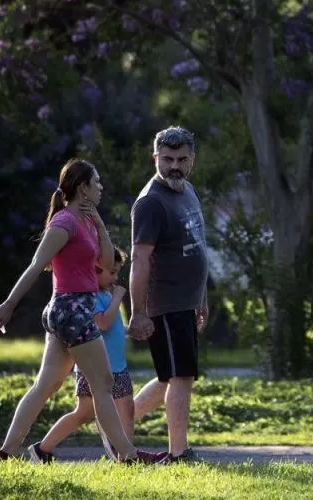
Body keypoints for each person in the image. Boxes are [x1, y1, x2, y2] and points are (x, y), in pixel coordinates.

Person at [0, 159, 163, 464]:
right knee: (103, 384)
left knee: (47, 385)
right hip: (71, 309)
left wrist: (100, 224)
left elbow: (108, 263)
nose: (101, 187)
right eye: (97, 182)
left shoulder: (86, 222)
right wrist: (9, 303)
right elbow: (35, 266)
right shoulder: (64, 222)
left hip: (69, 311)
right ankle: (129, 455)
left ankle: (6, 453)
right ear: (83, 187)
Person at [127, 127, 209, 464]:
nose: (175, 166)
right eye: (168, 159)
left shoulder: (186, 190)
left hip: (187, 302)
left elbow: (197, 245)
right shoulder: (151, 202)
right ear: (155, 158)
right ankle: (178, 453)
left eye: (182, 159)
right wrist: (138, 311)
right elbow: (139, 259)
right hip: (166, 302)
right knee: (181, 376)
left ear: (192, 159)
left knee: (167, 378)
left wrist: (201, 297)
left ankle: (116, 424)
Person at [32, 248, 132, 461]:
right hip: (94, 368)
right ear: (94, 270)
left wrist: (128, 329)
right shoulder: (90, 297)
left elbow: (112, 325)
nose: (115, 278)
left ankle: (127, 459)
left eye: (117, 273)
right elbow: (102, 323)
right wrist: (118, 299)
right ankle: (43, 449)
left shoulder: (107, 293)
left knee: (126, 409)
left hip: (119, 365)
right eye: (111, 273)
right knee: (84, 413)